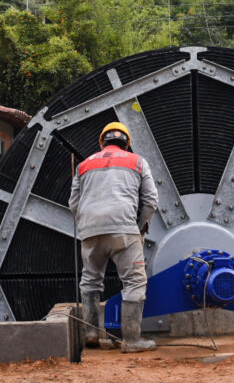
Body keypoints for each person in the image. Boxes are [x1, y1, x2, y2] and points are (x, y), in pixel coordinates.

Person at [69, 122, 159, 353]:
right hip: (123, 229)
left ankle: (90, 334)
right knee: (134, 283)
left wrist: (87, 227)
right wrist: (139, 229)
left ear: (102, 142)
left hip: (89, 230)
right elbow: (150, 201)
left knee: (90, 281)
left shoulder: (83, 165)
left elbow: (73, 204)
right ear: (126, 143)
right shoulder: (137, 161)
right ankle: (132, 340)